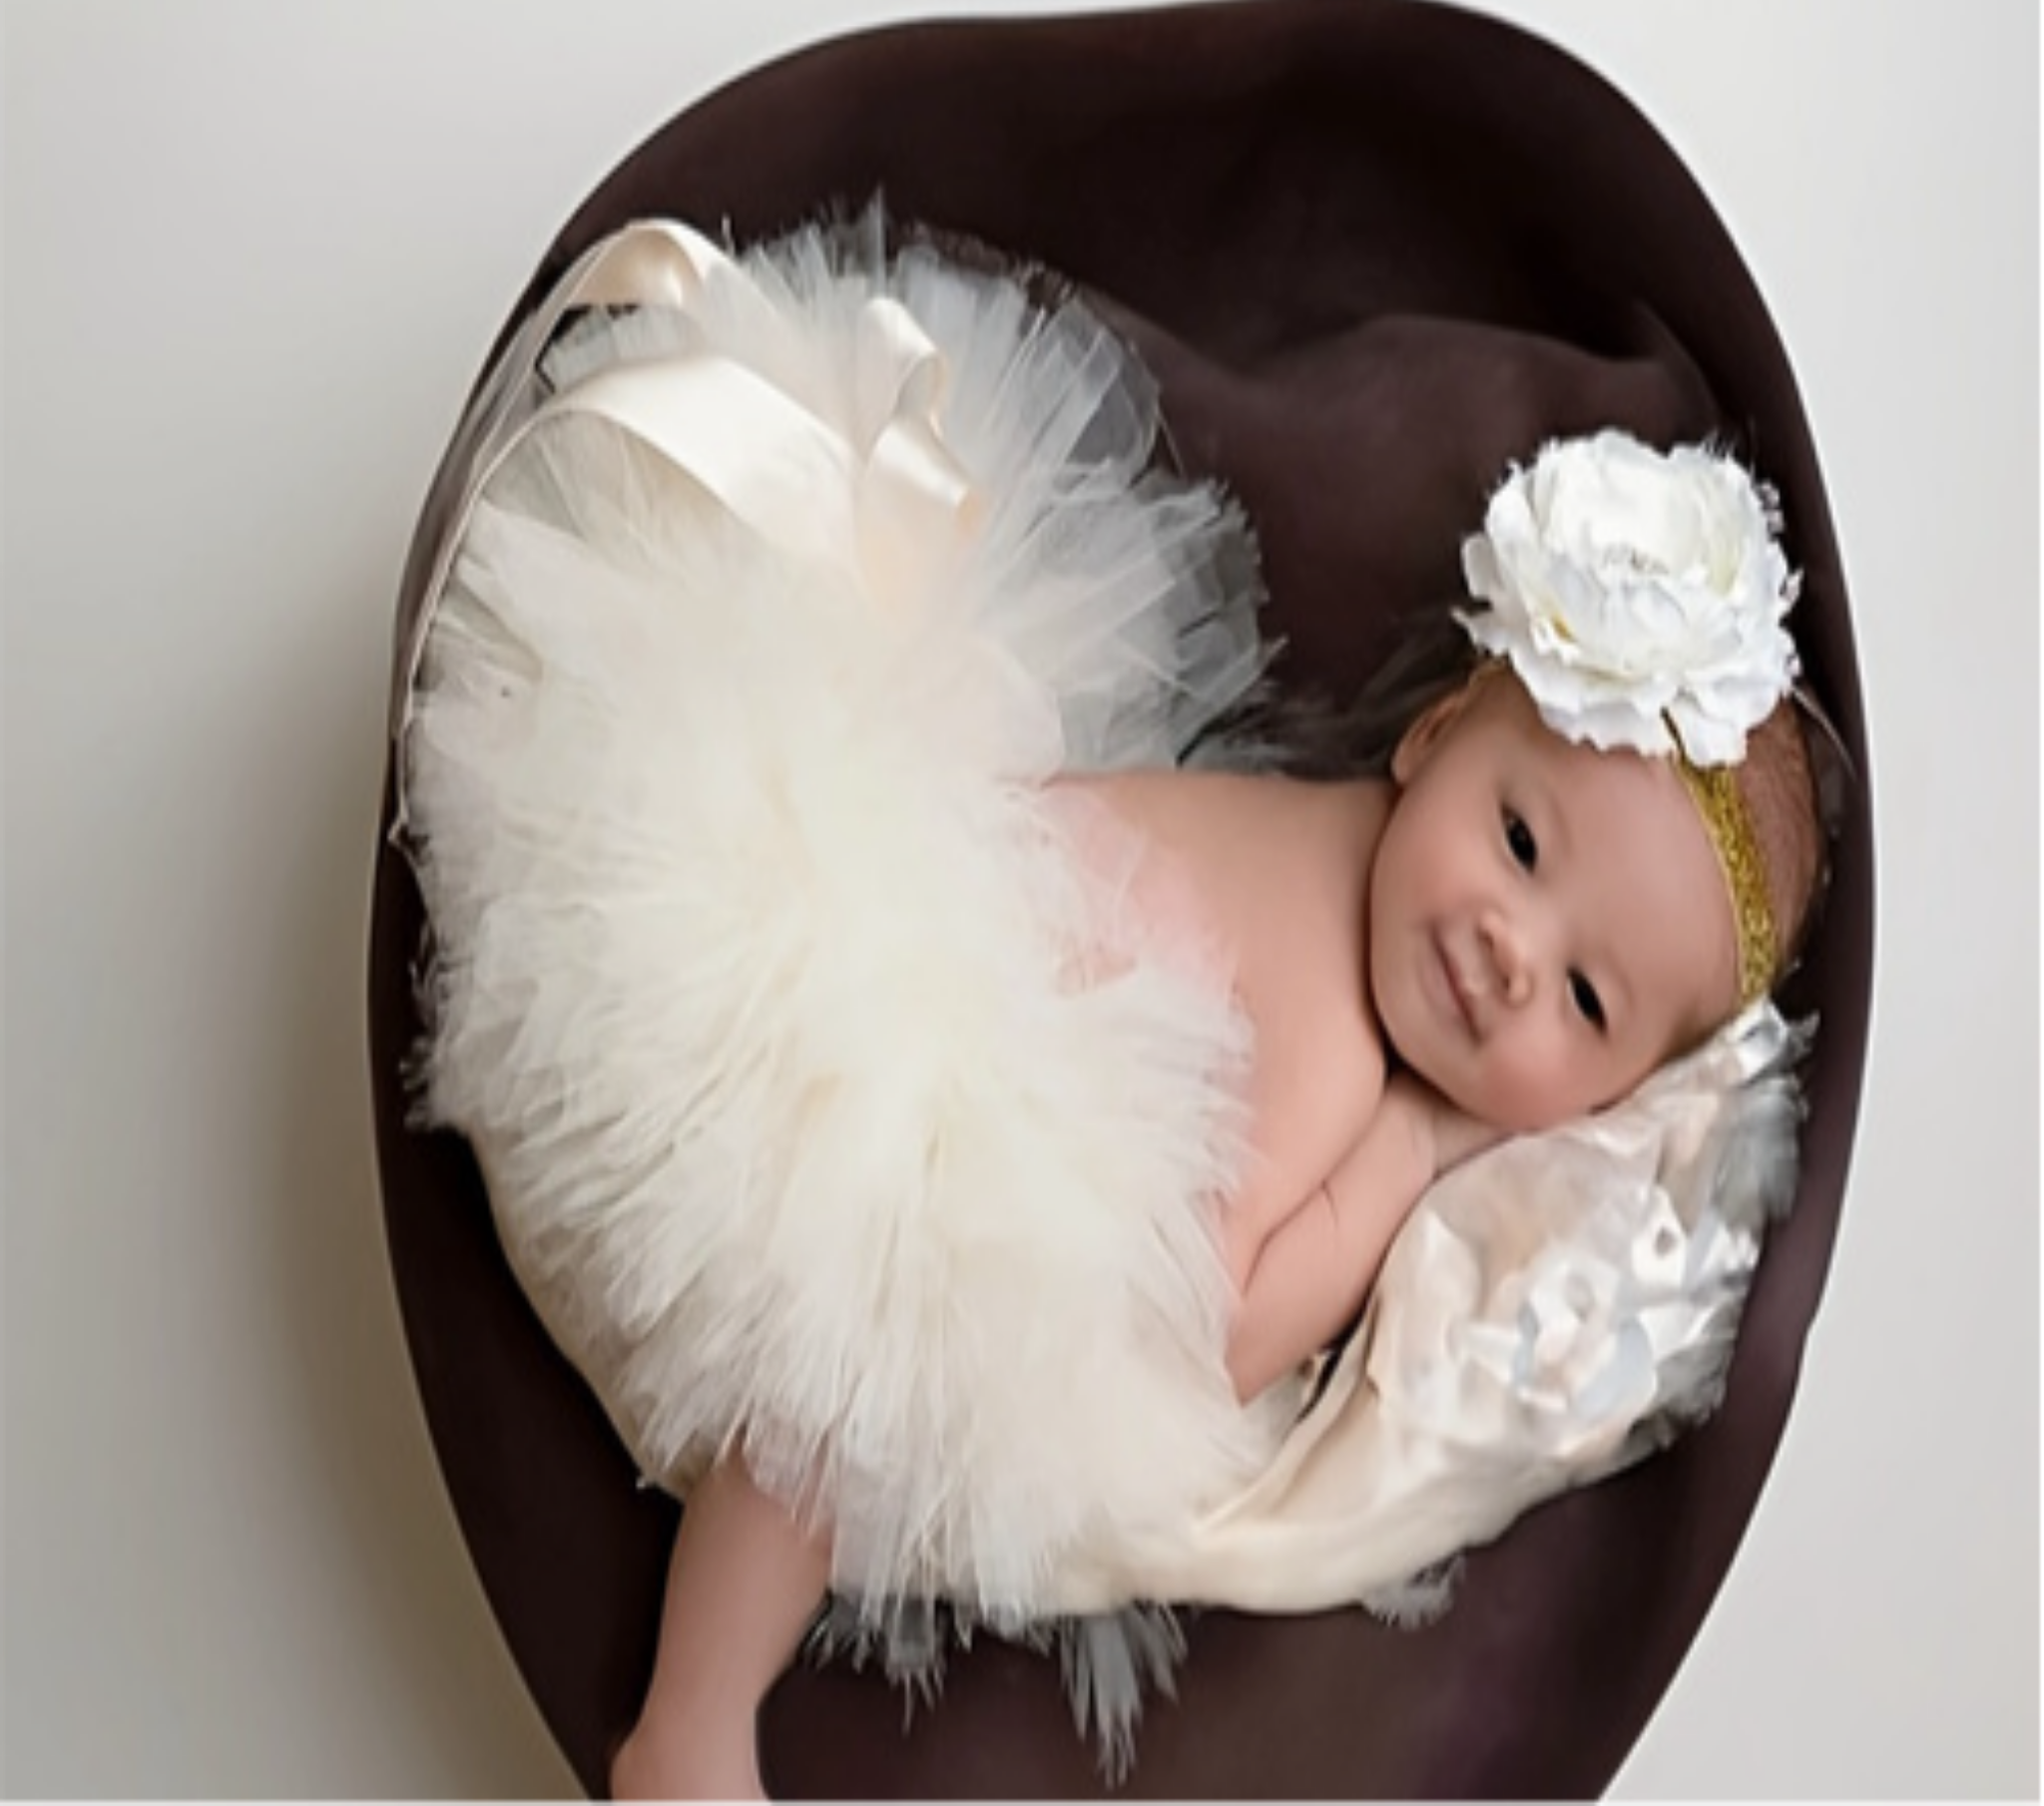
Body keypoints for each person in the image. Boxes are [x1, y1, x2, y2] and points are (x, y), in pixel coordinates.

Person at [389, 214, 1826, 1806]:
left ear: (1607, 1090)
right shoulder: (1351, 1021)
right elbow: (1233, 1339)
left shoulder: (1355, 1039)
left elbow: (1190, 1317)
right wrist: (1403, 1152)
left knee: (831, 1392)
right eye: (1521, 839)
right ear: (1428, 742)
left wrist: (1404, 1141)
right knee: (827, 1359)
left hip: (945, 1094)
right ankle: (692, 1720)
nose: (1507, 946)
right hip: (917, 976)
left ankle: (698, 1714)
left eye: (1584, 995)